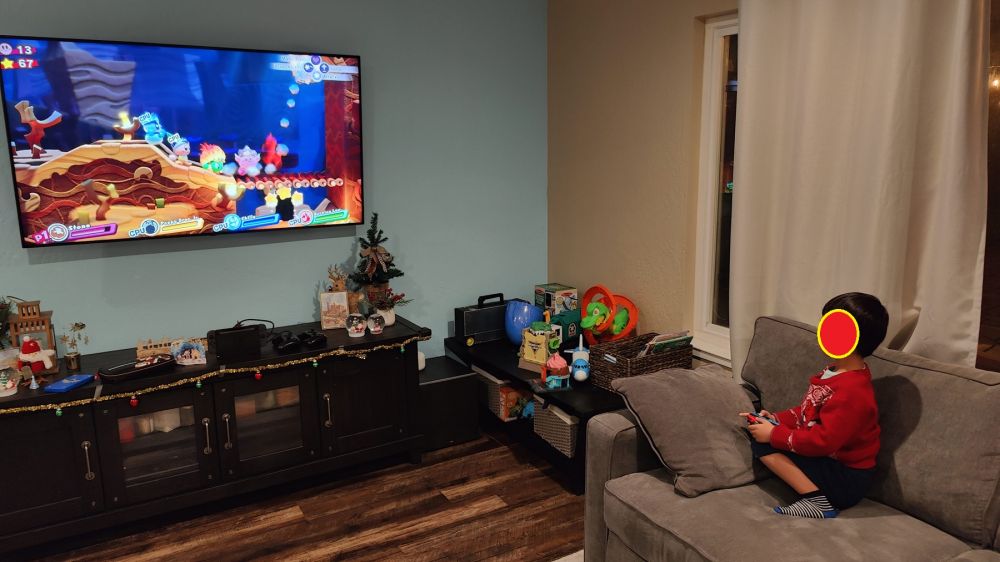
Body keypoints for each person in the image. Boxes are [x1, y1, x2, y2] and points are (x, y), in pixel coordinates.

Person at [740, 292, 888, 519]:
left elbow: (824, 441)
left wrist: (774, 435)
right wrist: (776, 420)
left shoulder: (852, 391)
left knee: (764, 444)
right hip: (830, 464)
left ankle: (817, 502)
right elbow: (807, 411)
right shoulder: (834, 371)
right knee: (760, 433)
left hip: (846, 479)